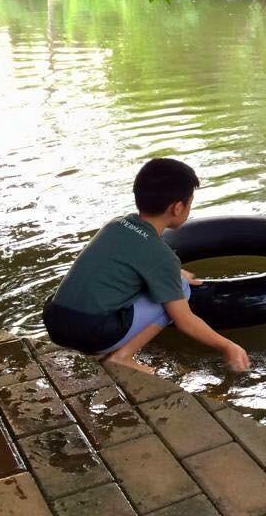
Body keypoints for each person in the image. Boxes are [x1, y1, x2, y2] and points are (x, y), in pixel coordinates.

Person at [43, 158, 249, 374]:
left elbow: (128, 260)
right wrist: (228, 346)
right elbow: (184, 320)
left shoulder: (116, 225)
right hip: (92, 334)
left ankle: (102, 349)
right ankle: (122, 357)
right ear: (178, 207)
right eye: (190, 201)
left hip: (56, 323)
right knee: (182, 288)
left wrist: (172, 273)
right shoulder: (162, 256)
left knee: (168, 282)